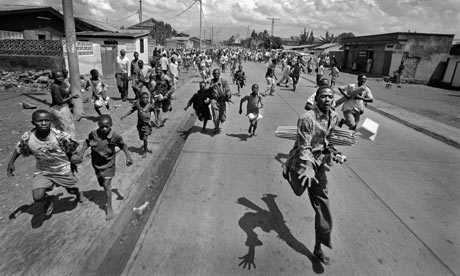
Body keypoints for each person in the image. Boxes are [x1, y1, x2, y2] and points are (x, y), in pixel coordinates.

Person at [282, 86, 343, 265]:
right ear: (316, 99)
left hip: (319, 165)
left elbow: (328, 141)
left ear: (332, 100)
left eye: (329, 97)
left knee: (323, 207)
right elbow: (304, 147)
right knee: (298, 191)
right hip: (301, 162)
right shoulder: (307, 118)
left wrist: (335, 153)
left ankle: (318, 247)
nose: (326, 99)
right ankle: (286, 169)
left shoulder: (334, 117)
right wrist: (308, 166)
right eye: (323, 96)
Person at [7, 110, 84, 217]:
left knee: (71, 190)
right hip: (43, 170)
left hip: (62, 169)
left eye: (46, 120)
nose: (43, 123)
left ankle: (77, 193)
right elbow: (19, 148)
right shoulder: (28, 137)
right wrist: (11, 163)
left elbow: (72, 150)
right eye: (40, 121)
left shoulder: (60, 136)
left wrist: (74, 161)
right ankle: (49, 200)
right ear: (33, 122)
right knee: (37, 197)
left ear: (51, 121)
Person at [78, 114, 133, 220]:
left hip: (109, 164)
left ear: (111, 125)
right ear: (98, 125)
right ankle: (105, 188)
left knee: (107, 185)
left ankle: (109, 208)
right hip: (96, 164)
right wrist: (81, 152)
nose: (103, 129)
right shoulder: (93, 134)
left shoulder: (115, 136)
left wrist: (128, 156)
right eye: (101, 126)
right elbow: (87, 142)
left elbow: (123, 145)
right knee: (102, 184)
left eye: (106, 126)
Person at [121, 92, 155, 158]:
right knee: (142, 138)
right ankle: (144, 147)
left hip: (146, 125)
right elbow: (132, 110)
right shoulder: (138, 105)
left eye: (146, 98)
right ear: (140, 99)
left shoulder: (150, 106)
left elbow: (155, 110)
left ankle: (145, 151)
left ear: (148, 99)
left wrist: (156, 119)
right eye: (143, 98)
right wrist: (125, 115)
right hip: (140, 125)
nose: (145, 99)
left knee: (145, 138)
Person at [50, 70, 78, 139]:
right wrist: (71, 97)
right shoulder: (56, 87)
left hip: (60, 108)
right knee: (67, 128)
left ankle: (65, 143)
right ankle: (70, 143)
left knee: (60, 128)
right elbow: (59, 102)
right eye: (58, 77)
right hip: (60, 109)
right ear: (53, 77)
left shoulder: (60, 84)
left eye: (61, 76)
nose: (60, 78)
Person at [209, 69, 232, 134]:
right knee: (216, 116)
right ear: (212, 74)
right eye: (215, 73)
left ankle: (219, 121)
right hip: (214, 100)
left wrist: (228, 93)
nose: (216, 75)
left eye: (217, 73)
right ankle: (216, 128)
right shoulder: (210, 82)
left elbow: (227, 89)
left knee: (223, 118)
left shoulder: (223, 81)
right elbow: (207, 89)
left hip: (222, 100)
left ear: (219, 74)